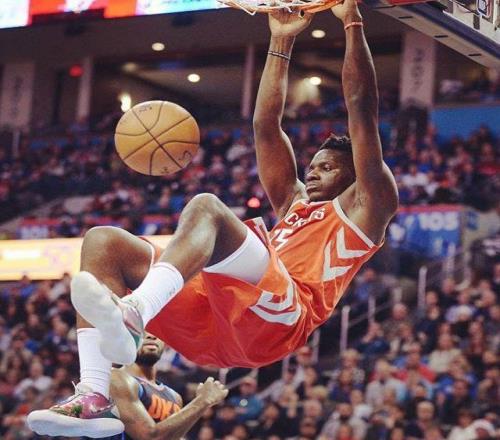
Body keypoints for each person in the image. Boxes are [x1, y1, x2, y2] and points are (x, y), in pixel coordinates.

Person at [31, 0, 397, 436]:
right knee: (102, 242)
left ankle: (135, 312)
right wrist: (280, 42)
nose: (312, 172)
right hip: (216, 327)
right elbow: (266, 126)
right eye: (312, 165)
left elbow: (361, 109)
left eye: (327, 167)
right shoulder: (295, 204)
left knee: (207, 206)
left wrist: (353, 22)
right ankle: (93, 396)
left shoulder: (368, 206)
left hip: (283, 317)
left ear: (356, 174)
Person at [28, 333, 228, 439]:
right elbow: (150, 437)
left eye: (157, 332)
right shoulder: (116, 379)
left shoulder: (174, 396)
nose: (151, 336)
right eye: (143, 331)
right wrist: (202, 401)